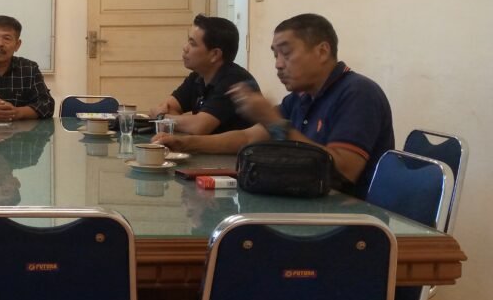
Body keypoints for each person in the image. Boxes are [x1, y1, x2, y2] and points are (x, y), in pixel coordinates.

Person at [154, 13, 394, 197]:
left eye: (286, 54)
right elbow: (247, 137)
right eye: (275, 55)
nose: (278, 64)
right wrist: (185, 143)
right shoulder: (299, 98)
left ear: (322, 51)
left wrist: (274, 121)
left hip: (351, 217)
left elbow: (344, 170)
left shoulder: (358, 93)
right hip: (306, 202)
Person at [150, 14, 259, 134]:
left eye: (193, 44)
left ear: (215, 54)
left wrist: (161, 118)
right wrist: (176, 119)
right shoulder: (197, 76)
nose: (185, 48)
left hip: (239, 147)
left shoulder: (234, 81)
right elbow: (166, 107)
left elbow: (199, 127)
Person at [0, 119, 54, 205]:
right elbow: (47, 127)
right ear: (16, 182)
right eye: (6, 191)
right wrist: (14, 128)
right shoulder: (29, 157)